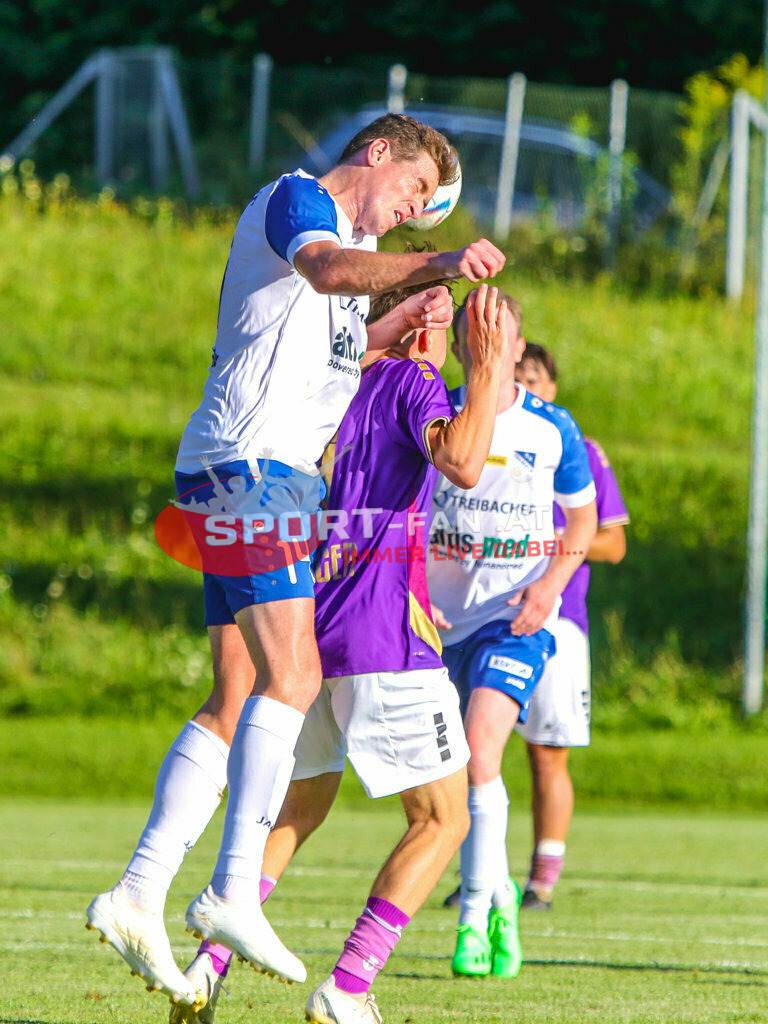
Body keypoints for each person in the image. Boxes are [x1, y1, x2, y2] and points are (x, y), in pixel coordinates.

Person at [85, 112, 506, 1012]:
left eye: (427, 214)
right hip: (254, 470)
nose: (412, 216)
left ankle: (138, 889)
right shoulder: (299, 202)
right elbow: (325, 273)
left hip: (242, 473)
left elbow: (341, 352)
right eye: (414, 194)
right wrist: (436, 267)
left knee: (239, 690)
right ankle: (233, 892)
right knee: (295, 676)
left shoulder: (356, 253)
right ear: (379, 152)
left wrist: (405, 316)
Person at [168, 280, 511, 1024]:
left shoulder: (337, 383)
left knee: (301, 806)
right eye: (448, 321)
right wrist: (484, 373)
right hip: (385, 630)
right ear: (425, 325)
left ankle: (208, 964)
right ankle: (350, 986)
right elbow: (461, 460)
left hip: (314, 624)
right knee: (444, 819)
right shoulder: (414, 378)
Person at [426, 292, 597, 979]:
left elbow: (581, 523)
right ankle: (500, 896)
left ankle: (470, 917)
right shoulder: (431, 412)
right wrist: (411, 588)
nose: (490, 342)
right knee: (452, 780)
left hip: (515, 619)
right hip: (440, 627)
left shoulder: (553, 428)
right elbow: (399, 508)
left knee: (480, 754)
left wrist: (548, 588)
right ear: (464, 345)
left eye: (502, 331)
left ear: (520, 349)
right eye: (477, 330)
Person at [513, 342, 630, 910]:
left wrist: (560, 546)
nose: (525, 388)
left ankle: (542, 879)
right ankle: (476, 872)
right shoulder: (478, 438)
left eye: (534, 379)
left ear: (552, 389)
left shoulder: (577, 447)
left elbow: (612, 541)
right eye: (516, 377)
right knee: (466, 753)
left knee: (546, 751)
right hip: (481, 612)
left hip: (560, 620)